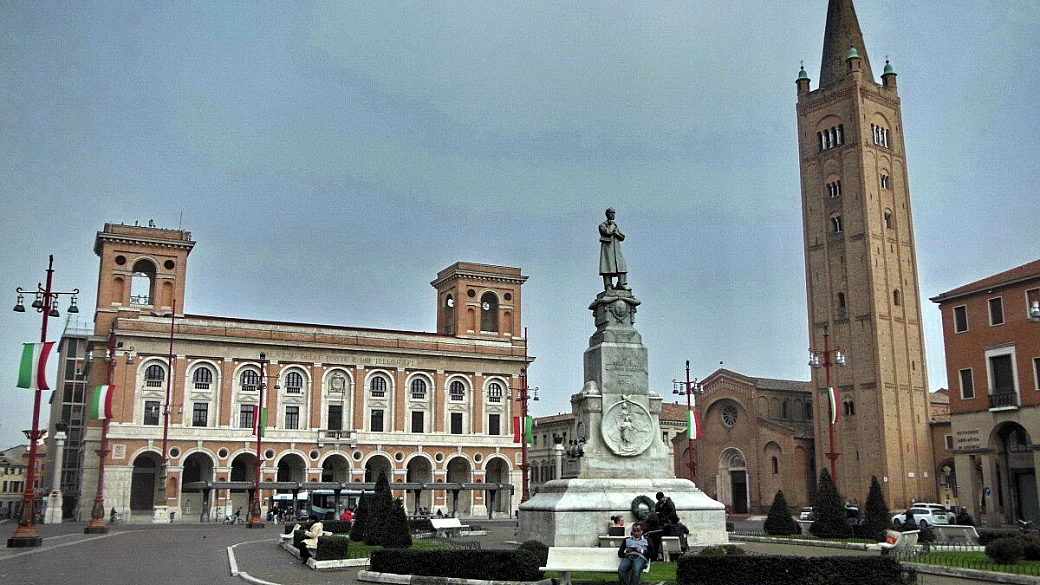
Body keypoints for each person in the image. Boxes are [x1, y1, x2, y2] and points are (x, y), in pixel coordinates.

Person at [599, 207, 628, 291]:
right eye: (611, 213)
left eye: (614, 213)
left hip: (617, 250)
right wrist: (612, 226)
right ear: (607, 214)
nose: (613, 215)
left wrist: (617, 234)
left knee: (622, 266)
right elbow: (607, 232)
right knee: (607, 267)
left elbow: (622, 236)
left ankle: (622, 284)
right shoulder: (602, 225)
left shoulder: (615, 226)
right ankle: (608, 285)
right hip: (608, 251)